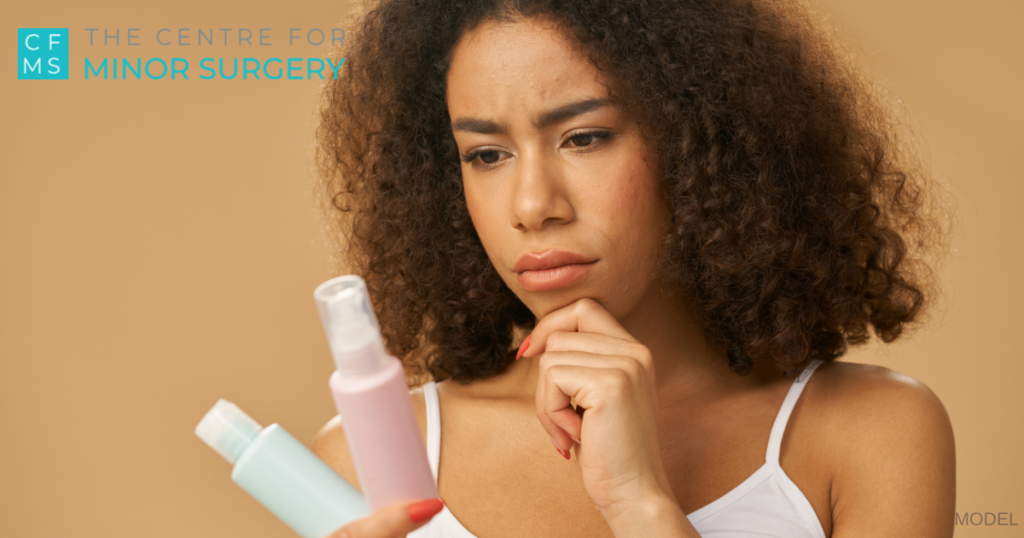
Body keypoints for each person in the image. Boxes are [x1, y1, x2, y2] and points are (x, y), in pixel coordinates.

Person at [310, 0, 957, 536]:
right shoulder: (368, 460)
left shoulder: (869, 435)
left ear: (703, 138)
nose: (533, 206)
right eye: (485, 154)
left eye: (584, 137)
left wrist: (641, 503)